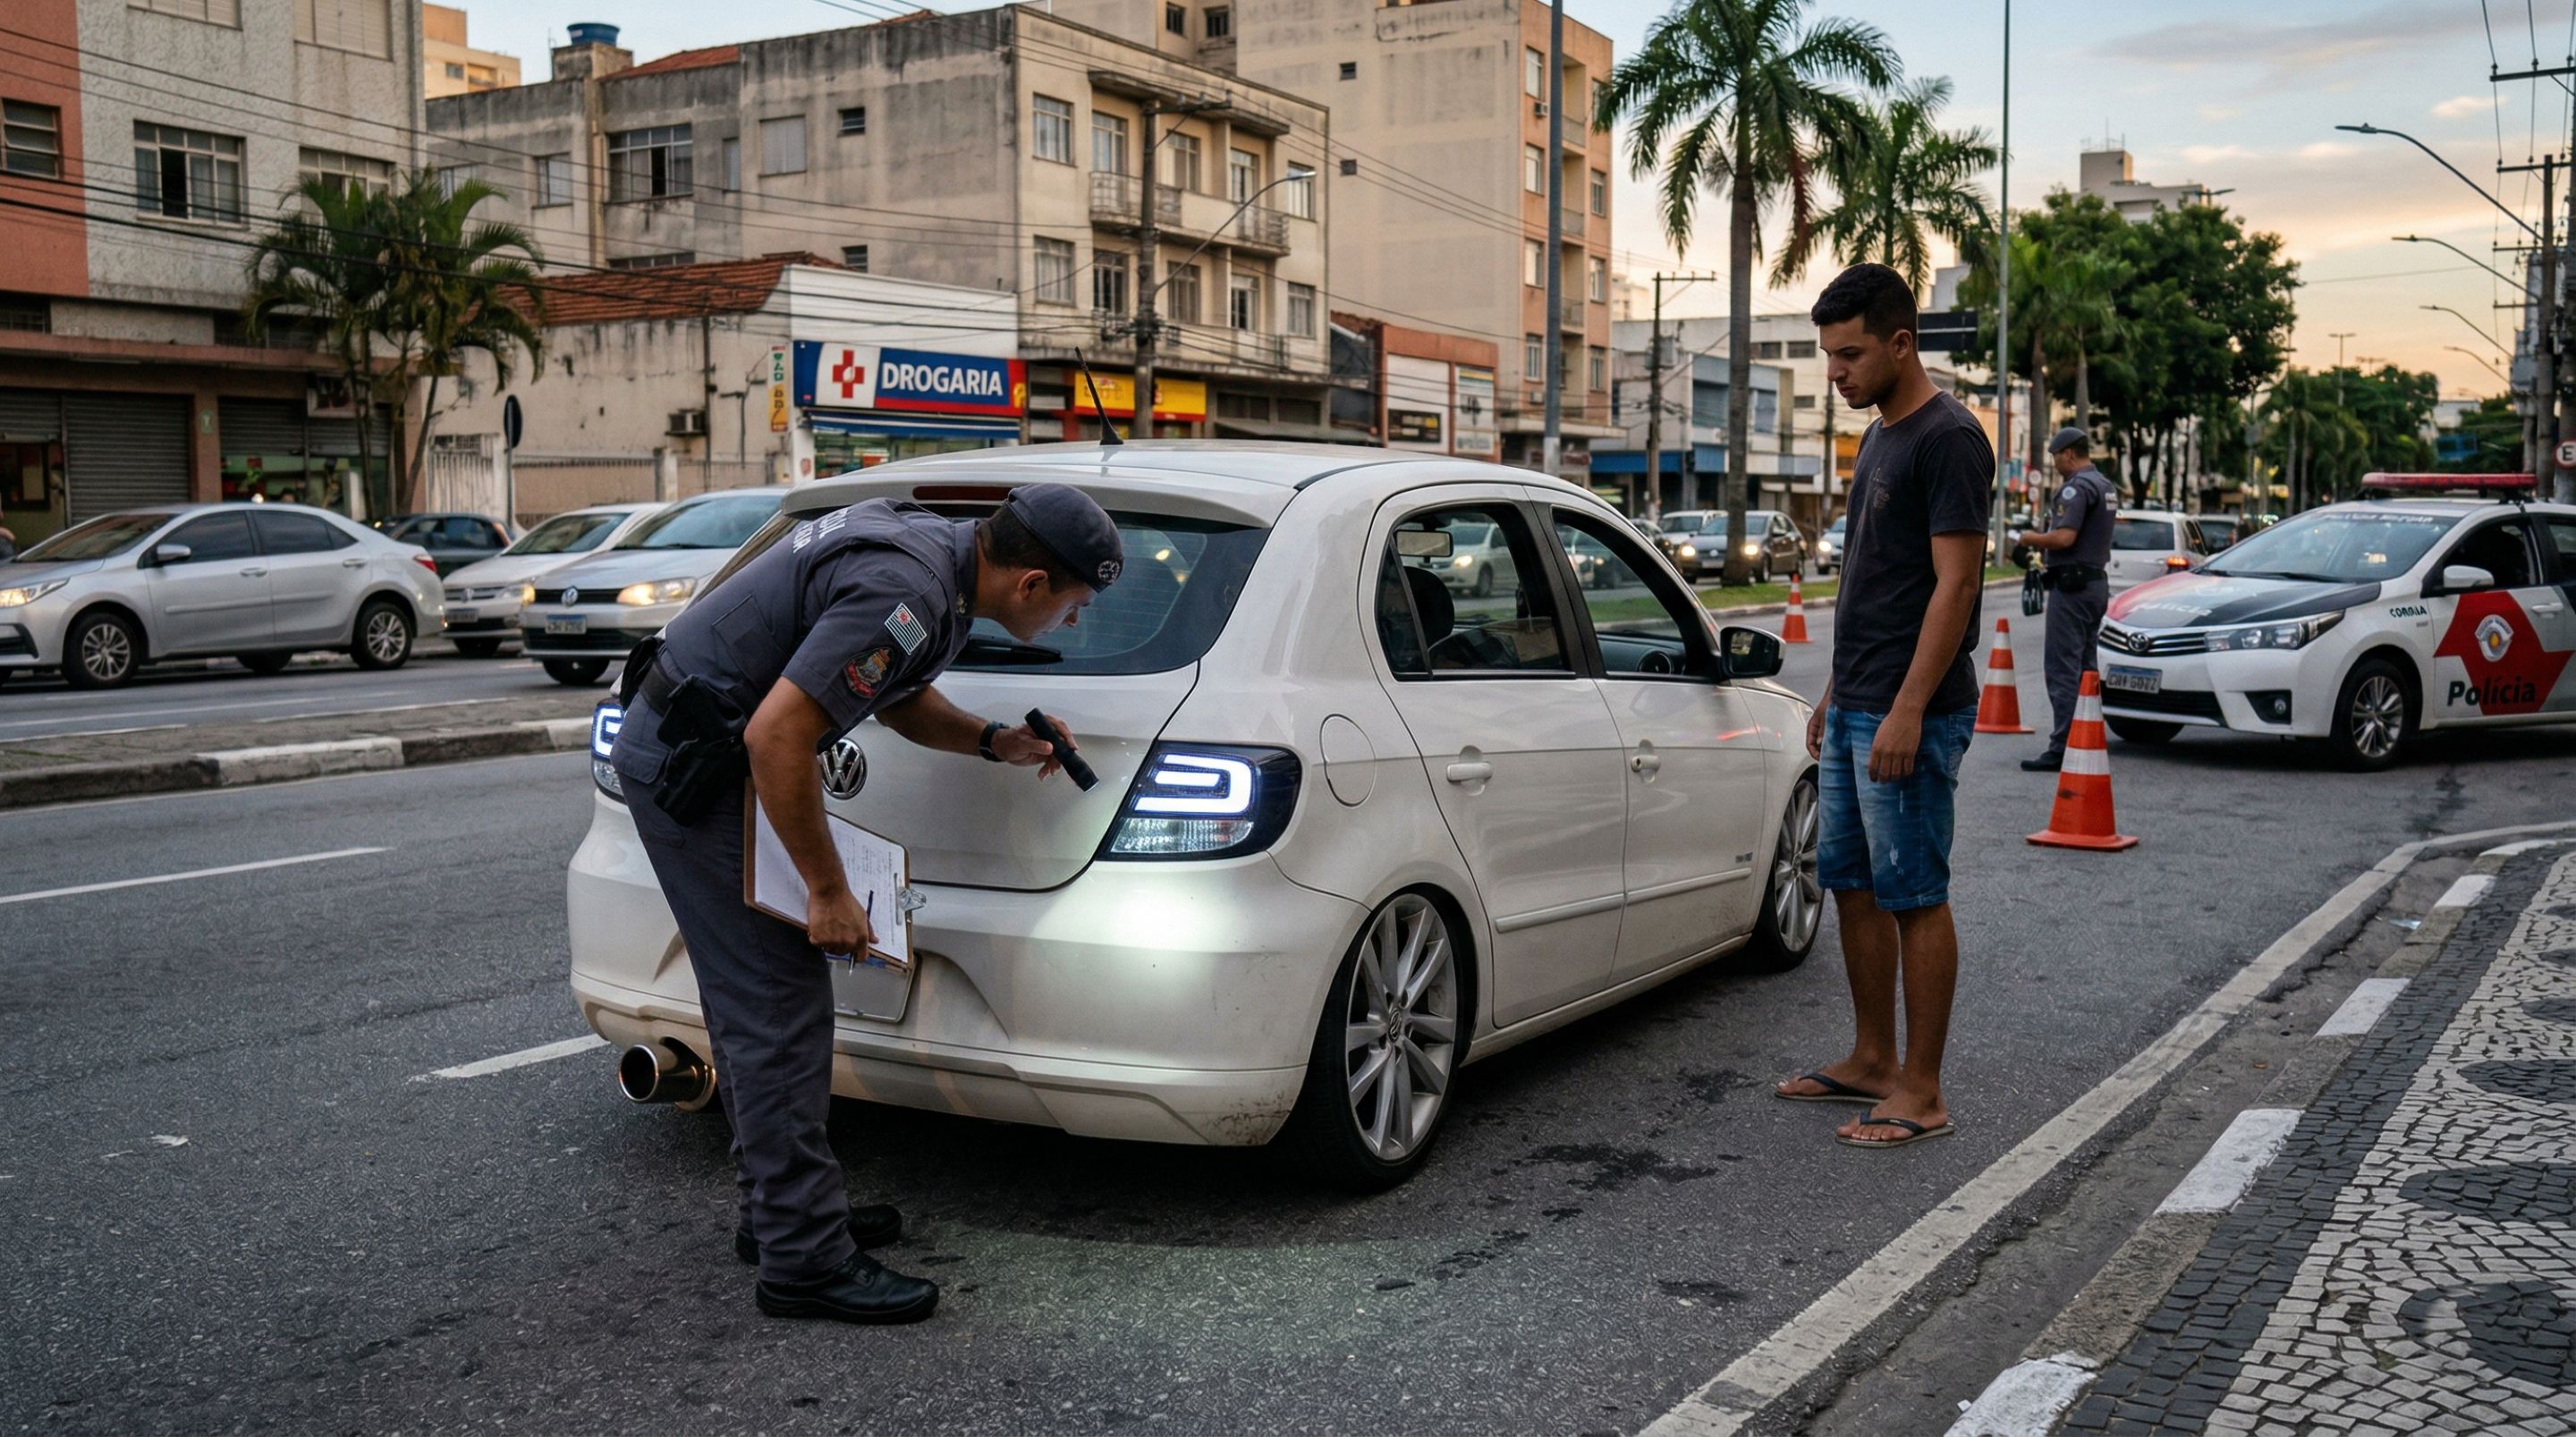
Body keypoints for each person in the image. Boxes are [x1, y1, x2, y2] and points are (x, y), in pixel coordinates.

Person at [607, 483, 1123, 1323]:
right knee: (775, 1003)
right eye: (1073, 605)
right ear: (1030, 584)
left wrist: (994, 741)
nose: (1071, 623)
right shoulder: (912, 588)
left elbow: (892, 687)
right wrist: (827, 891)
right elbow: (778, 733)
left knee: (758, 1003)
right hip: (694, 768)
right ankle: (802, 1260)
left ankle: (780, 1216)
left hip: (709, 751)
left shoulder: (946, 569)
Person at [1771, 263, 1992, 1151]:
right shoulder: (1877, 441)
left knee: (1914, 893)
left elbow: (1956, 584)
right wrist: (1834, 691)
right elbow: (1872, 580)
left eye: (1851, 354)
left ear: (1902, 342)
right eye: (1829, 356)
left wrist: (1906, 708)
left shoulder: (1948, 439)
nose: (1837, 373)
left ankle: (1922, 1089)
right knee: (1851, 884)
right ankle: (1871, 1056)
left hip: (1914, 710)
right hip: (1857, 699)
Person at [2014, 429, 2117, 772]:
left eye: (2056, 456)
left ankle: (2062, 746)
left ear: (2069, 454)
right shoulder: (2105, 485)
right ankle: (2087, 738)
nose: (2055, 462)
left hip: (2072, 589)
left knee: (2063, 669)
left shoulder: (2075, 487)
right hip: (2095, 584)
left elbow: (2064, 536)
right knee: (2087, 669)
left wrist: (2030, 538)